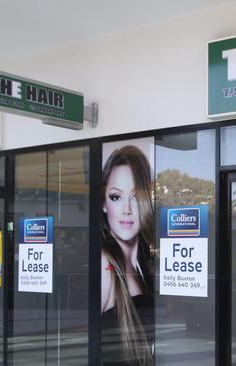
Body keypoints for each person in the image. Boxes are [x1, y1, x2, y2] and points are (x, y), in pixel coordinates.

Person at [101, 145, 154, 366]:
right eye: (115, 197)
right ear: (103, 204)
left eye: (134, 197)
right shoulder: (105, 264)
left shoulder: (143, 264)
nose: (126, 209)